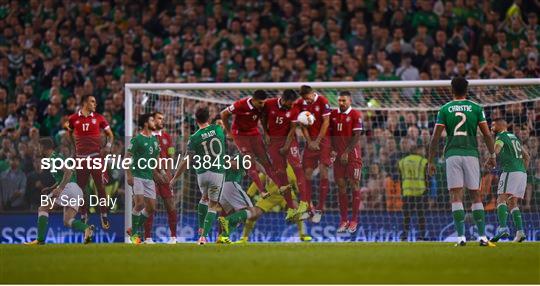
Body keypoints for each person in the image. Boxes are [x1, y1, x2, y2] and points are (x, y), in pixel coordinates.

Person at [428, 76, 496, 247]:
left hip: (452, 154)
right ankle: (482, 237)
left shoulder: (444, 109)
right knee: (475, 194)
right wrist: (493, 154)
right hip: (471, 154)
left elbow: (435, 137)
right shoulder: (476, 108)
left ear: (452, 90)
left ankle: (461, 238)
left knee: (455, 195)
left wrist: (430, 161)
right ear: (467, 90)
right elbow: (487, 134)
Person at [170, 107, 226, 245]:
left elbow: (186, 160)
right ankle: (203, 237)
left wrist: (174, 178)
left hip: (202, 173)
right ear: (209, 118)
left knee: (204, 198)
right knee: (213, 205)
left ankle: (201, 228)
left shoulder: (193, 138)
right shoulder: (218, 129)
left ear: (196, 120)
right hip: (217, 171)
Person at [220, 90, 289, 198]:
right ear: (254, 100)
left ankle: (280, 186)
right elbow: (223, 114)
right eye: (260, 103)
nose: (262, 105)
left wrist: (266, 133)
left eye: (264, 102)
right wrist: (229, 132)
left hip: (254, 133)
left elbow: (263, 118)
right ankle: (262, 191)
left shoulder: (262, 107)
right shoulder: (240, 104)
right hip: (240, 135)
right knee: (250, 161)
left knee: (265, 160)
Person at [26, 138, 94, 245]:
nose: (38, 149)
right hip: (75, 189)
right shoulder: (55, 158)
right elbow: (62, 177)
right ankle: (87, 229)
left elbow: (68, 172)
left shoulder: (54, 158)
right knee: (67, 221)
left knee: (43, 208)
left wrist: (60, 188)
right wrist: (51, 187)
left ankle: (40, 239)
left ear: (44, 147)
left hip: (68, 188)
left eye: (39, 147)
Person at [66, 95, 114, 229]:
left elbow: (110, 134)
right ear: (85, 103)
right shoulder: (73, 119)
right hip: (81, 158)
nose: (95, 104)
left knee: (101, 187)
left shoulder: (99, 118)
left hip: (95, 157)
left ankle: (103, 214)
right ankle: (83, 214)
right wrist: (74, 148)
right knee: (80, 189)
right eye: (92, 101)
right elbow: (69, 133)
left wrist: (108, 147)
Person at [262, 89, 307, 221]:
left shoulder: (294, 109)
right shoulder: (269, 104)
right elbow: (263, 118)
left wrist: (287, 146)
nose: (292, 105)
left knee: (297, 168)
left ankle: (304, 203)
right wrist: (266, 133)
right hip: (274, 143)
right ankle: (291, 208)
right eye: (290, 102)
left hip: (289, 140)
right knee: (281, 176)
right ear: (283, 98)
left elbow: (293, 129)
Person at [237, 164, 312, 243]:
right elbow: (258, 180)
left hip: (286, 196)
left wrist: (305, 200)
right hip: (269, 196)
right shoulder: (269, 166)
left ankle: (303, 235)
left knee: (297, 210)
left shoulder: (291, 169)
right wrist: (249, 195)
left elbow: (299, 186)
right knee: (254, 214)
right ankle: (244, 238)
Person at [294, 85, 332, 223]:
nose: (307, 101)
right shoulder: (300, 103)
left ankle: (320, 208)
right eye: (304, 99)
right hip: (310, 143)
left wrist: (317, 141)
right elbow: (302, 125)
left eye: (308, 98)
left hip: (324, 141)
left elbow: (326, 122)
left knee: (323, 171)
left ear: (312, 93)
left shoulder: (322, 101)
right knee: (306, 174)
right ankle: (310, 209)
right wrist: (310, 141)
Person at [125, 113, 163, 244]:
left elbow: (156, 159)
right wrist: (129, 175)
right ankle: (134, 235)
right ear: (146, 123)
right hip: (137, 176)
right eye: (152, 120)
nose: (155, 122)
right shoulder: (137, 140)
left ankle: (132, 229)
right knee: (140, 204)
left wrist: (161, 172)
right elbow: (126, 158)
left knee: (151, 208)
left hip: (149, 177)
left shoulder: (154, 140)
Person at [329, 91, 363, 233]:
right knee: (341, 186)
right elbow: (329, 134)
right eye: (340, 100)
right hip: (338, 156)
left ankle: (354, 220)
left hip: (352, 156)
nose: (341, 103)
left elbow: (357, 136)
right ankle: (344, 220)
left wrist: (346, 152)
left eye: (344, 100)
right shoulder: (333, 115)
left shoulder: (355, 115)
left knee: (355, 184)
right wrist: (331, 150)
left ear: (350, 101)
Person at [490, 118, 529, 243]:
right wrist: (522, 171)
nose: (491, 128)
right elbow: (527, 156)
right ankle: (520, 232)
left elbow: (496, 150)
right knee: (512, 203)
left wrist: (490, 158)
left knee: (501, 199)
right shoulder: (514, 137)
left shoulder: (501, 137)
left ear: (501, 125)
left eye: (493, 125)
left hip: (510, 171)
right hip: (521, 172)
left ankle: (502, 228)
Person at [143, 111, 178, 244]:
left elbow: (171, 154)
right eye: (159, 118)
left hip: (165, 177)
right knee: (150, 206)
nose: (162, 121)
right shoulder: (147, 137)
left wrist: (168, 173)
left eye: (163, 118)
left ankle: (174, 237)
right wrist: (156, 173)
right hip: (150, 175)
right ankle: (147, 238)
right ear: (152, 120)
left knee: (170, 205)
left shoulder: (166, 137)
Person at [398, 145, 428, 241]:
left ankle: (404, 236)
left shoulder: (402, 161)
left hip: (407, 191)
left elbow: (399, 177)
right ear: (417, 150)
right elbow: (427, 177)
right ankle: (422, 236)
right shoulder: (423, 161)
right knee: (421, 215)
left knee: (406, 216)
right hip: (420, 191)